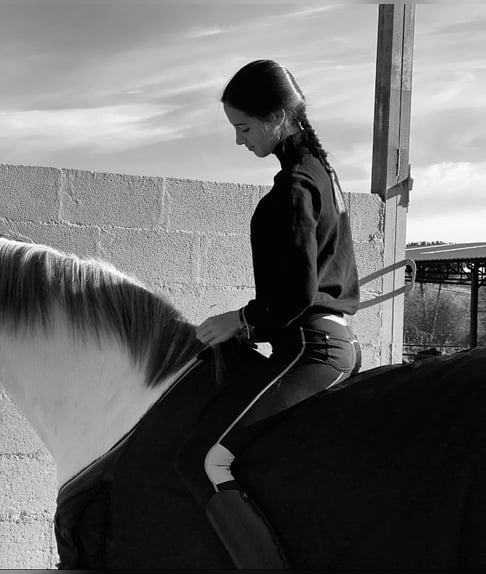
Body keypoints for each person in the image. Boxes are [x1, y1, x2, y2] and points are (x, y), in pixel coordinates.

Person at [194, 59, 362, 568]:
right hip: (340, 347)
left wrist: (240, 321)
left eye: (244, 128)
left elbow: (294, 294)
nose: (240, 141)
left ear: (276, 117)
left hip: (311, 350)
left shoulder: (293, 187)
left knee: (211, 460)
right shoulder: (321, 174)